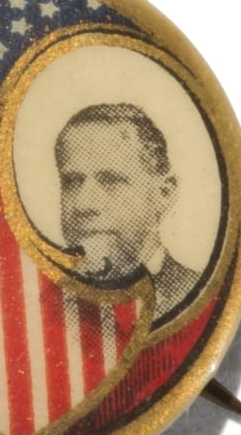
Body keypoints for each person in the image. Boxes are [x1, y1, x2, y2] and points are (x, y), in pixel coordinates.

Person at [55, 103, 198, 319]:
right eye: (72, 182)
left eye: (111, 180)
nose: (84, 205)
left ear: (164, 193)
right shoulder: (41, 303)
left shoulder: (193, 294)